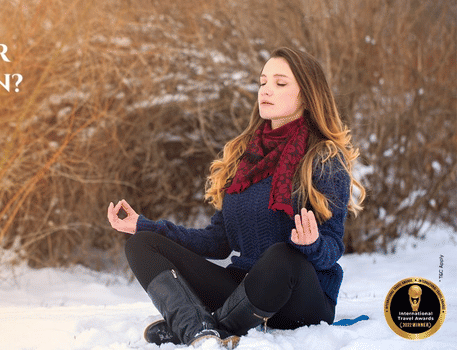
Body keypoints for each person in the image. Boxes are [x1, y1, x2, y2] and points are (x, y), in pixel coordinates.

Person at [106, 47, 365, 347]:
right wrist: (146, 226)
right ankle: (199, 331)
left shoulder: (323, 158)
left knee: (282, 256)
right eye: (263, 82)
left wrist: (313, 244)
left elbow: (333, 246)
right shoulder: (245, 156)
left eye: (280, 84)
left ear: (306, 96)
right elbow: (217, 241)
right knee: (141, 244)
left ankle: (203, 327)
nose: (266, 90)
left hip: (302, 298)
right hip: (245, 290)